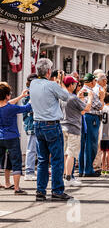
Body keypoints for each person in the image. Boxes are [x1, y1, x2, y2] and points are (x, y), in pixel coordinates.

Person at [29, 58, 72, 201]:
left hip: (38, 123)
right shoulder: (52, 85)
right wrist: (59, 82)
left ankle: (40, 191)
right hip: (51, 124)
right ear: (48, 71)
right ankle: (57, 190)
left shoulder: (33, 84)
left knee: (42, 160)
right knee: (57, 159)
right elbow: (66, 97)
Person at [0, 83, 32, 195]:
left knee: (4, 161)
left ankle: (7, 183)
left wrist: (21, 96)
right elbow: (27, 108)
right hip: (12, 137)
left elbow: (7, 103)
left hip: (0, 138)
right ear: (7, 95)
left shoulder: (8, 106)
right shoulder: (11, 108)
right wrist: (33, 97)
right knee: (16, 162)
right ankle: (17, 188)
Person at [61, 76, 93, 186]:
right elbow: (87, 108)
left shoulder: (62, 97)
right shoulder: (73, 98)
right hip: (73, 128)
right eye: (74, 84)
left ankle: (65, 175)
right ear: (71, 85)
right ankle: (68, 178)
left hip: (63, 126)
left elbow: (80, 111)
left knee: (66, 153)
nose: (76, 86)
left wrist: (80, 98)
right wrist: (90, 97)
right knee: (71, 153)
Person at [79, 73, 105, 177]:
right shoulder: (91, 92)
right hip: (92, 118)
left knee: (83, 144)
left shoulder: (81, 90)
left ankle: (82, 169)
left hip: (84, 117)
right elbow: (99, 106)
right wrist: (102, 98)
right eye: (95, 81)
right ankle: (88, 169)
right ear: (91, 82)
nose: (96, 83)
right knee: (91, 144)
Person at [23, 73, 38, 181]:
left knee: (36, 148)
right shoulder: (28, 92)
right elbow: (28, 107)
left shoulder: (32, 91)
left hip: (35, 122)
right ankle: (29, 171)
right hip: (31, 122)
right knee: (31, 148)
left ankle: (32, 169)